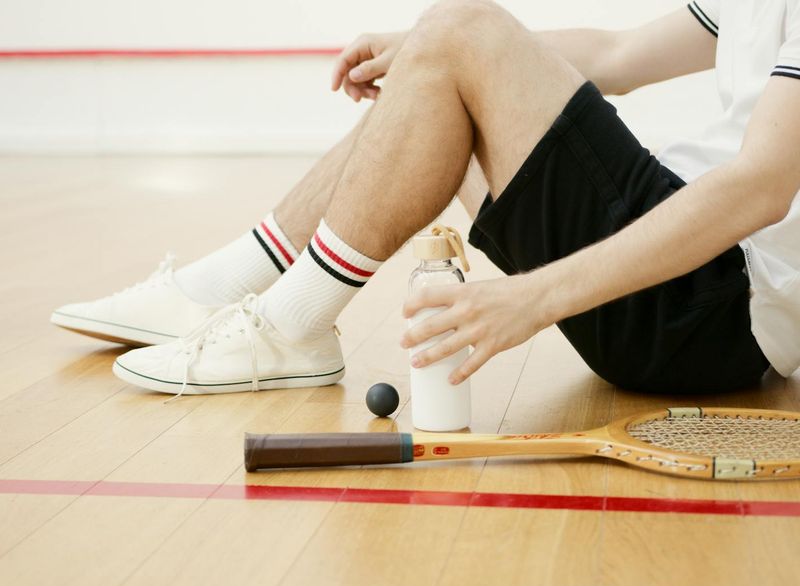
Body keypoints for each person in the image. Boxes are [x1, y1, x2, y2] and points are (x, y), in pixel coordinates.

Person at [51, 0, 800, 395]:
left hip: (708, 311)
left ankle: (290, 327)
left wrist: (532, 300)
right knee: (445, 45)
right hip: (687, 286)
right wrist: (427, 50)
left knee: (460, 29)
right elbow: (619, 57)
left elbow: (760, 188)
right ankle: (220, 291)